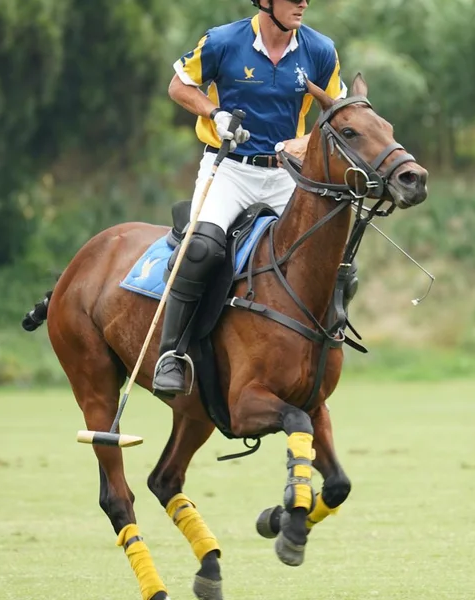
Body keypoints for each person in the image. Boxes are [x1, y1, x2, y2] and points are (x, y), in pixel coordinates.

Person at [153, 0, 348, 397]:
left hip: (286, 176)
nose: (303, 3)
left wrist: (306, 141)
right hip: (228, 170)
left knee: (338, 258)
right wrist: (214, 114)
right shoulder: (223, 41)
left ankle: (323, 344)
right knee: (202, 249)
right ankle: (172, 354)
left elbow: (341, 118)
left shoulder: (321, 51)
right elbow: (179, 85)